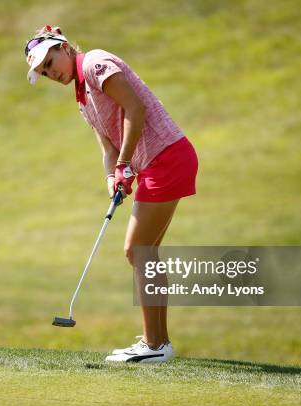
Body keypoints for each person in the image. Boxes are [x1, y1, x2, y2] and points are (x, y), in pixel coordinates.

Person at [25, 25, 198, 363]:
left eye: (50, 61)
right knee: (144, 252)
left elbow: (136, 110)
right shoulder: (82, 98)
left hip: (166, 158)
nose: (50, 72)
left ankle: (154, 346)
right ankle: (159, 343)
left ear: (63, 47)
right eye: (43, 71)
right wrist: (112, 175)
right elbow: (107, 145)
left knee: (136, 250)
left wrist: (124, 166)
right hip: (156, 163)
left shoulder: (95, 65)